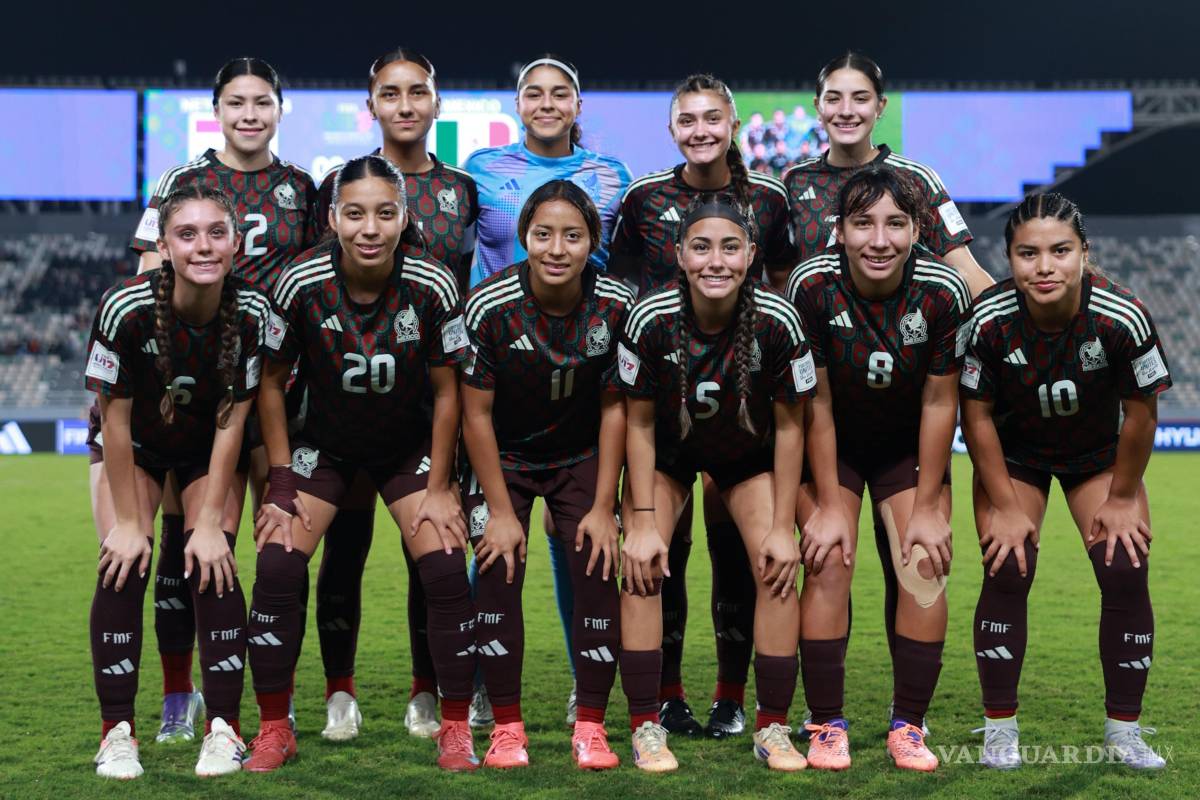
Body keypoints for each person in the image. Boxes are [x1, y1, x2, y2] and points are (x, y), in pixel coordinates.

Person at [243, 155, 478, 772]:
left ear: (404, 217)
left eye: (384, 213)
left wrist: (441, 483)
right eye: (355, 214)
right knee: (276, 564)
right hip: (325, 446)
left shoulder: (433, 284)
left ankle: (455, 728)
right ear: (332, 218)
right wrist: (281, 478)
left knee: (447, 567)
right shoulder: (299, 282)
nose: (369, 228)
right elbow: (270, 383)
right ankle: (274, 727)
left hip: (407, 448)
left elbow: (450, 390)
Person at [125, 56, 319, 743]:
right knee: (184, 545)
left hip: (275, 387)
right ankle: (180, 695)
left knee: (277, 554)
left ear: (278, 109)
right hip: (197, 388)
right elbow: (149, 273)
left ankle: (278, 694)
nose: (249, 114)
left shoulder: (301, 186)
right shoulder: (183, 181)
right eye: (236, 102)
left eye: (262, 101)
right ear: (217, 109)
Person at [608, 73, 797, 739]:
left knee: (744, 555)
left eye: (712, 118)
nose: (699, 130)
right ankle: (666, 699)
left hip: (741, 408)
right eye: (686, 119)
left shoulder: (769, 200)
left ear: (733, 124)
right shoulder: (642, 200)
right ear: (672, 128)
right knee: (663, 551)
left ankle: (734, 698)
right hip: (665, 409)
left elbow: (781, 287)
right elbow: (623, 287)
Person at [961, 193, 1170, 771]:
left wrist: (1124, 497)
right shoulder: (988, 321)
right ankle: (1000, 728)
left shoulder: (1123, 316)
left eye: (1060, 251)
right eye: (1028, 253)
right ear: (1008, 258)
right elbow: (974, 416)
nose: (1044, 266)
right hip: (1016, 457)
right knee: (1008, 562)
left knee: (1125, 567)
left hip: (1098, 458)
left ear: (1084, 253)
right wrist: (1004, 505)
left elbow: (1142, 411)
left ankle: (1124, 731)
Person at [311, 46, 481, 743]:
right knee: (344, 548)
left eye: (418, 92)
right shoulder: (338, 183)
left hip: (428, 401)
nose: (405, 105)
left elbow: (467, 286)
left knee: (430, 550)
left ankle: (425, 689)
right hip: (345, 398)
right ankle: (339, 691)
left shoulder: (462, 190)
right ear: (372, 104)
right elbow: (312, 282)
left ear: (436, 103)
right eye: (391, 93)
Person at [617, 192, 813, 772]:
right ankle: (645, 726)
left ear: (752, 253)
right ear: (680, 254)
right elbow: (639, 421)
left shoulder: (779, 320)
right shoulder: (650, 317)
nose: (715, 261)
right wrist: (644, 522)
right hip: (670, 457)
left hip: (746, 457)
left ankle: (773, 727)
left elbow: (791, 425)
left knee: (777, 569)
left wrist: (782, 526)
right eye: (701, 247)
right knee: (642, 566)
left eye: (730, 247)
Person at [464, 53, 632, 724]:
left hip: (579, 371)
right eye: (533, 93)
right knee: (491, 543)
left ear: (578, 105)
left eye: (560, 92)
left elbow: (627, 264)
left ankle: (582, 685)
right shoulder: (481, 169)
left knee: (579, 549)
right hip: (499, 366)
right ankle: (477, 682)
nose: (546, 102)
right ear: (518, 104)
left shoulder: (610, 176)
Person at [786, 167, 970, 772]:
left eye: (895, 223)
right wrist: (832, 505)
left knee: (923, 566)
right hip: (832, 446)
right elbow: (815, 400)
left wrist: (926, 505)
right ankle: (826, 725)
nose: (879, 239)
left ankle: (909, 727)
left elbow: (942, 401)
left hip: (904, 452)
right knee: (829, 558)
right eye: (863, 223)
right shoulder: (811, 286)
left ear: (918, 229)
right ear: (839, 231)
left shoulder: (943, 291)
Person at [87, 184, 269, 778]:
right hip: (133, 448)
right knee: (124, 560)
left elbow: (234, 419)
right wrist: (131, 523)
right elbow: (113, 420)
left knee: (210, 560)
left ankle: (224, 729)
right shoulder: (123, 307)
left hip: (204, 449)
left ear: (236, 242)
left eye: (216, 232)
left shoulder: (252, 312)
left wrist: (212, 520)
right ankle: (117, 732)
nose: (203, 246)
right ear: (163, 246)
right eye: (187, 235)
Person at [783, 52, 992, 297]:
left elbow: (965, 270)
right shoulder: (794, 181)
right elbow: (782, 277)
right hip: (815, 333)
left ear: (880, 106)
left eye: (860, 99)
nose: (846, 110)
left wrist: (1005, 326)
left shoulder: (916, 178)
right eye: (833, 99)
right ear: (818, 107)